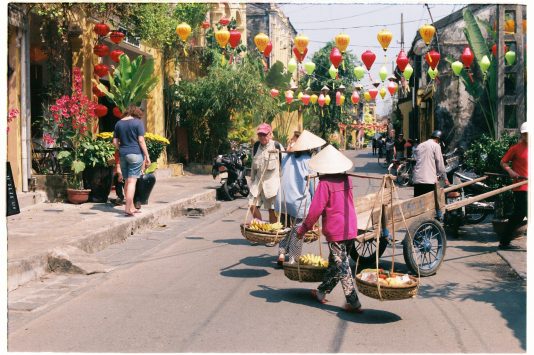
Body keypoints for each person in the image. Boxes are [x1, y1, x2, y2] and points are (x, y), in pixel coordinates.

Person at [294, 145, 363, 313]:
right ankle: (320, 292)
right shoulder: (347, 179)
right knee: (336, 263)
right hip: (350, 226)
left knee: (343, 266)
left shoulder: (324, 184)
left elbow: (315, 210)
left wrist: (303, 229)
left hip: (337, 230)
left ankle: (353, 302)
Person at [275, 130, 325, 267]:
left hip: (283, 199)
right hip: (298, 200)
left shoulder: (287, 157)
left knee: (286, 227)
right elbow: (313, 186)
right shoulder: (309, 161)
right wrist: (316, 204)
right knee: (298, 229)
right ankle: (293, 258)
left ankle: (281, 253)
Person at [113, 105, 151, 216]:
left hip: (123, 155)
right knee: (132, 182)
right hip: (135, 154)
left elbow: (115, 142)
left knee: (126, 181)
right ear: (136, 113)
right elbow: (141, 140)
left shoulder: (118, 123)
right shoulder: (138, 123)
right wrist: (147, 155)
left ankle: (132, 207)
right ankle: (127, 208)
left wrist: (122, 149)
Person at [499, 121, 528, 249]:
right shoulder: (516, 148)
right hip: (521, 186)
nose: (527, 136)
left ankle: (504, 241)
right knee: (523, 213)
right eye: (525, 134)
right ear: (522, 135)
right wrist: (511, 171)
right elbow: (503, 162)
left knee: (519, 214)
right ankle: (504, 240)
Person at [248, 123, 283, 224]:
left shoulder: (277, 146)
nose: (262, 137)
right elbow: (253, 166)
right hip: (258, 182)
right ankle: (260, 227)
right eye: (260, 135)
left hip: (272, 183)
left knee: (272, 210)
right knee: (251, 204)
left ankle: (272, 233)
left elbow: (284, 165)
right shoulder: (255, 147)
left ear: (270, 134)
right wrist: (252, 180)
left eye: (264, 134)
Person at [412, 130, 449, 198]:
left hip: (417, 179)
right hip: (428, 181)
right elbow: (440, 164)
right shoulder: (436, 146)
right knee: (429, 206)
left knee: (419, 205)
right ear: (438, 139)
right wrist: (445, 179)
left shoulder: (420, 145)